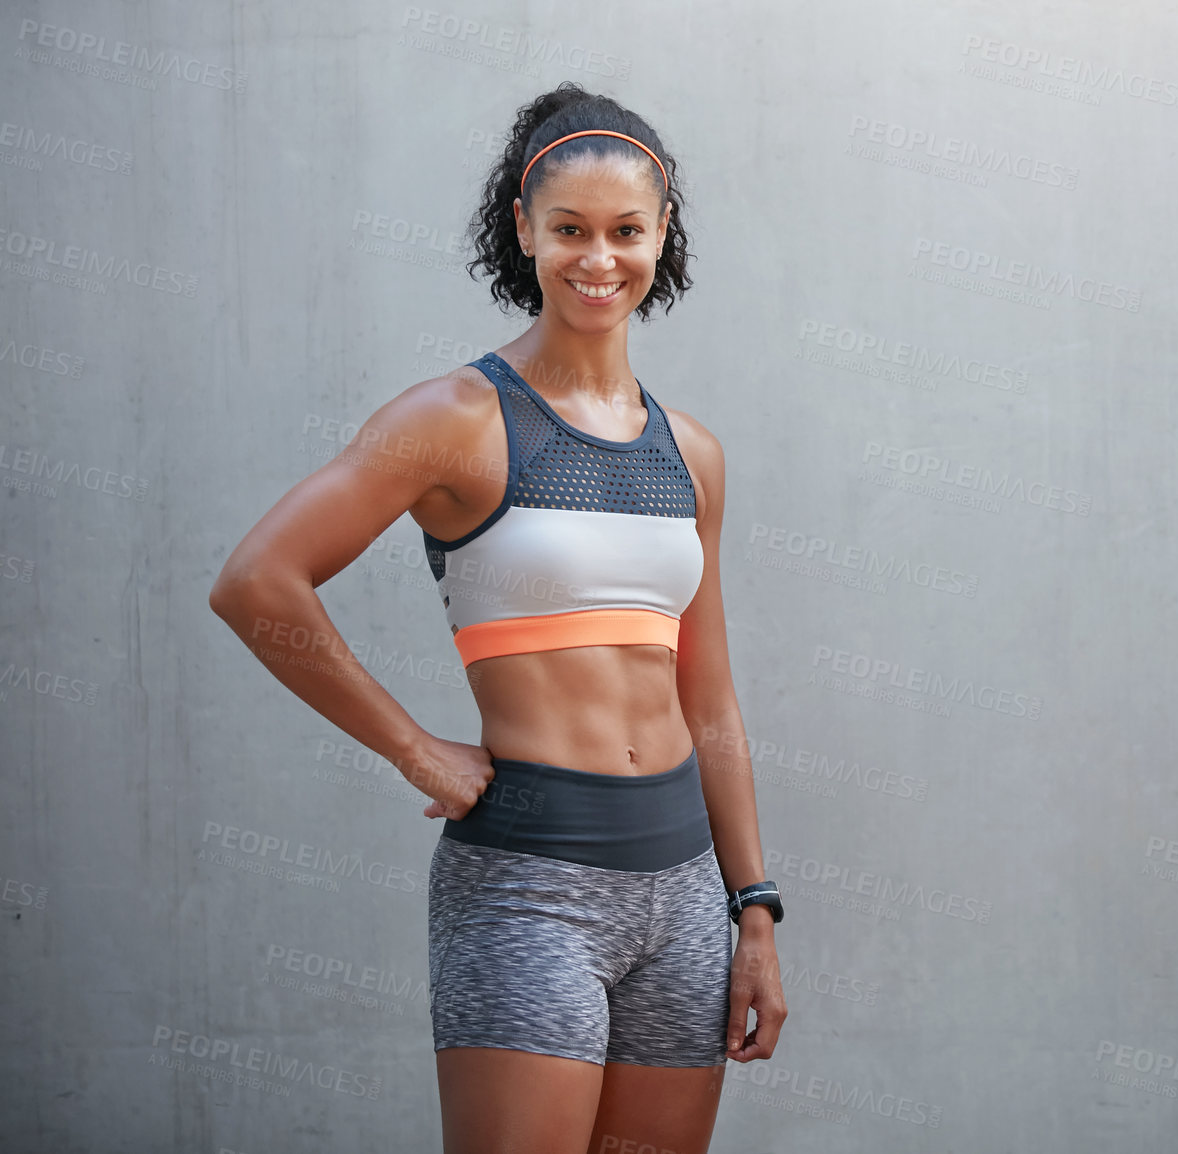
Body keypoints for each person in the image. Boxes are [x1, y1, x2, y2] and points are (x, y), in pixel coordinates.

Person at [208, 82, 787, 1154]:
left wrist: (752, 904)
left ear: (664, 235)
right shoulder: (456, 421)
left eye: (625, 230)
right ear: (523, 230)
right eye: (568, 229)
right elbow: (257, 580)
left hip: (684, 890)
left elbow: (708, 695)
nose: (597, 258)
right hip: (530, 885)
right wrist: (414, 749)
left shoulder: (690, 453)